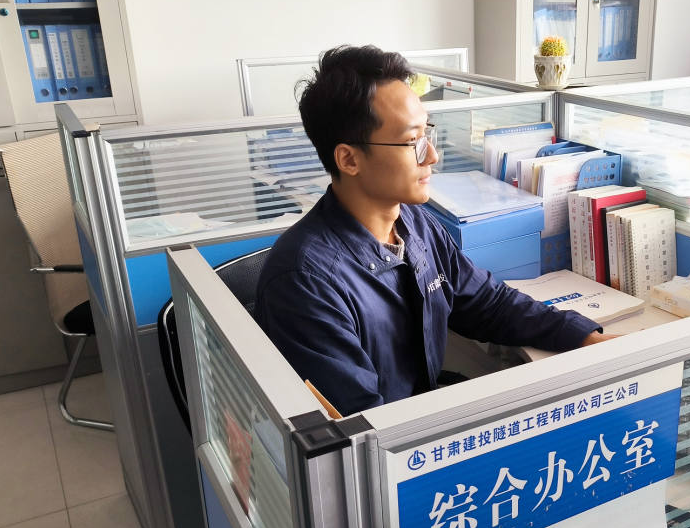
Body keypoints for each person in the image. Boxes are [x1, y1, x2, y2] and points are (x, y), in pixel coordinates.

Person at [255, 45, 615, 416]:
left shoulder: (414, 223)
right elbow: (361, 429)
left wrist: (584, 336)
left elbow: (487, 302)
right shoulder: (304, 283)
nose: (432, 156)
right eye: (412, 141)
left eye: (427, 134)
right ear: (349, 159)